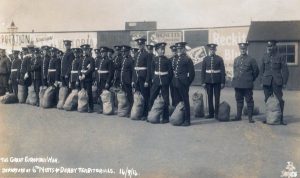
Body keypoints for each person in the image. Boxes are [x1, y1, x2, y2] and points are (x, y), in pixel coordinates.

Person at [261, 40, 289, 125]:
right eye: (268, 46)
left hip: (277, 81)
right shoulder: (264, 56)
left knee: (279, 100)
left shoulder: (280, 56)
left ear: (275, 47)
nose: (270, 48)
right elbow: (261, 70)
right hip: (266, 81)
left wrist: (284, 82)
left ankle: (280, 119)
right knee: (267, 100)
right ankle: (269, 118)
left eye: (271, 46)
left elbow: (285, 70)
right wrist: (261, 81)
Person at [231, 43, 259, 123]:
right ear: (239, 49)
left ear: (246, 49)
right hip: (238, 84)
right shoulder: (236, 59)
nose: (242, 50)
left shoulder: (251, 59)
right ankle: (238, 116)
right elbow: (235, 71)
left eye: (244, 49)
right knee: (239, 100)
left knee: (249, 100)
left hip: (247, 84)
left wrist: (251, 79)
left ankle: (250, 118)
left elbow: (256, 71)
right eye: (241, 49)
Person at [148, 42, 173, 123]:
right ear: (157, 50)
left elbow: (170, 73)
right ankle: (151, 115)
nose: (162, 51)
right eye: (161, 49)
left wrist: (167, 81)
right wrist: (153, 78)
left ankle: (165, 118)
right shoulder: (154, 59)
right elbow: (152, 71)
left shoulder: (167, 60)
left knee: (165, 100)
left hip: (164, 82)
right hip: (156, 81)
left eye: (163, 49)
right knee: (152, 97)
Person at [172, 42, 195, 126]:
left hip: (183, 84)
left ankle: (187, 120)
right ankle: (179, 118)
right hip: (176, 83)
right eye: (178, 49)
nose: (179, 50)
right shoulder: (176, 58)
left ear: (184, 49)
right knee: (178, 102)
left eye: (181, 49)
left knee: (185, 102)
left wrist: (187, 83)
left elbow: (192, 74)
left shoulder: (187, 59)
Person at [201, 43, 226, 120]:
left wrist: (222, 82)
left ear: (215, 50)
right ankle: (211, 113)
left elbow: (222, 71)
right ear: (209, 50)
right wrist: (203, 82)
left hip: (217, 81)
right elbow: (203, 71)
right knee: (209, 98)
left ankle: (217, 113)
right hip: (208, 81)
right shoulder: (205, 59)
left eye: (213, 50)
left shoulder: (219, 59)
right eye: (211, 50)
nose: (212, 51)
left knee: (217, 97)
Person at [132, 38, 152, 120]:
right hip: (137, 78)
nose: (140, 46)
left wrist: (147, 80)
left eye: (141, 44)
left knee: (145, 96)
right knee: (138, 96)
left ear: (144, 45)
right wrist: (133, 80)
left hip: (143, 78)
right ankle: (138, 113)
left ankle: (145, 114)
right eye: (139, 45)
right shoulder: (136, 54)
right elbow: (134, 68)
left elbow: (149, 69)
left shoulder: (147, 54)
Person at [94, 46, 114, 113]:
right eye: (101, 52)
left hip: (105, 80)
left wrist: (108, 82)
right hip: (99, 80)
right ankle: (101, 108)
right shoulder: (99, 60)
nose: (102, 53)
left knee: (106, 95)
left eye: (104, 52)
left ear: (106, 53)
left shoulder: (109, 61)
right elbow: (97, 71)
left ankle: (108, 109)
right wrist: (96, 80)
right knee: (100, 94)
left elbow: (110, 73)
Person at [79, 44, 95, 113]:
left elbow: (91, 69)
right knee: (83, 93)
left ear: (89, 50)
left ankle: (91, 107)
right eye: (83, 50)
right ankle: (84, 106)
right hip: (82, 78)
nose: (85, 52)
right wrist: (79, 75)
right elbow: (79, 68)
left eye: (86, 50)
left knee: (89, 93)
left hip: (88, 78)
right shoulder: (82, 59)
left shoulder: (91, 59)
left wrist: (84, 75)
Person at [119, 45, 134, 115]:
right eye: (122, 52)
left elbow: (133, 72)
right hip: (123, 80)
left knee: (129, 96)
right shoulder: (123, 59)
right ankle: (126, 110)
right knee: (125, 96)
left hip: (128, 81)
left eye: (125, 52)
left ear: (128, 52)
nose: (123, 53)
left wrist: (132, 81)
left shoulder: (131, 60)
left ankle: (130, 111)